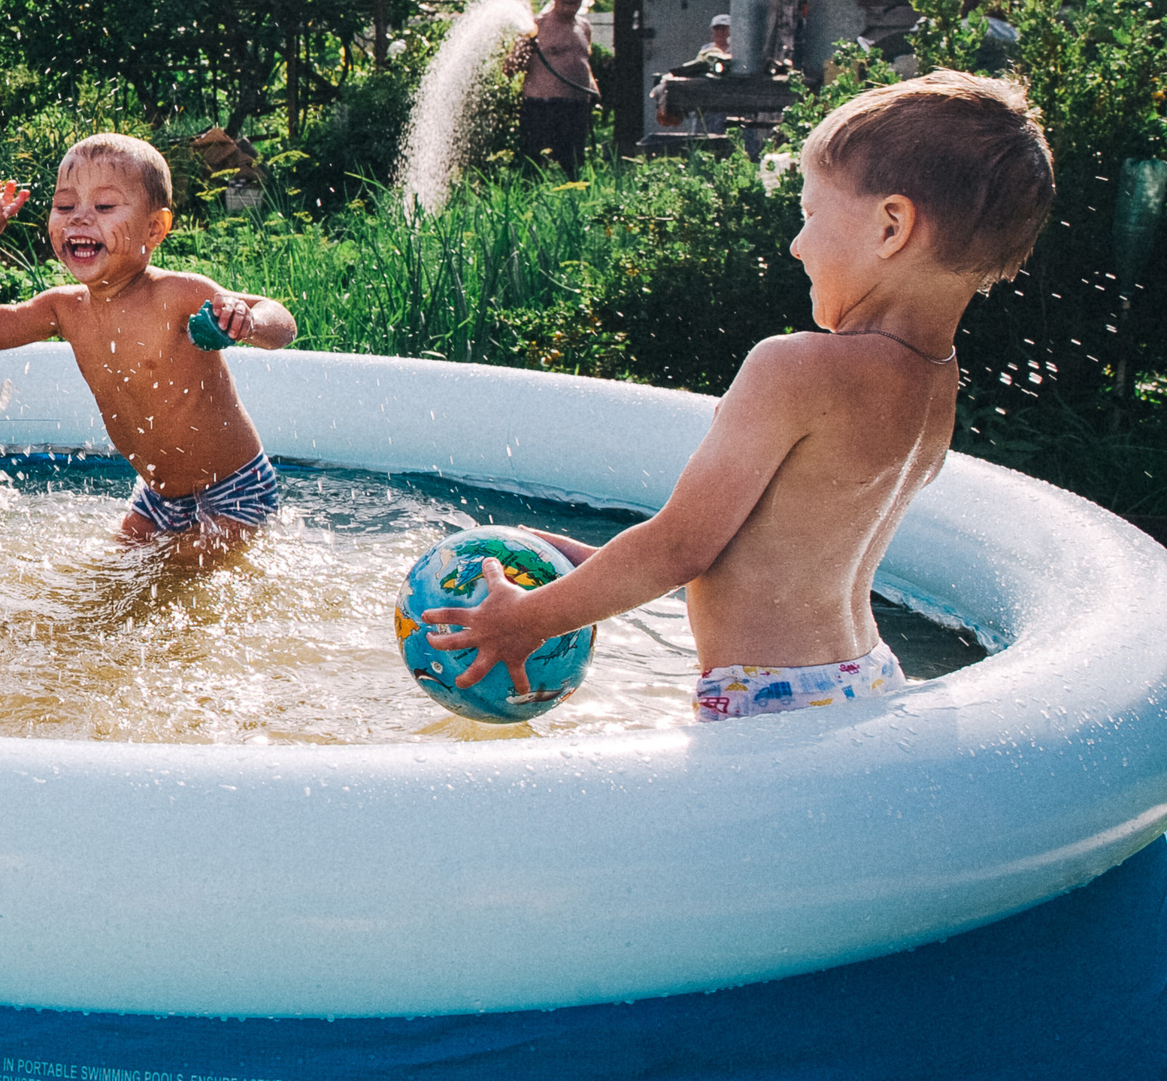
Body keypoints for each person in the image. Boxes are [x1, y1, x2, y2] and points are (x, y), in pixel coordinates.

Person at [423, 72, 1054, 722]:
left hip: (770, 697)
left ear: (891, 226)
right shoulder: (936, 381)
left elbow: (679, 550)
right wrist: (581, 564)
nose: (796, 244)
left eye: (810, 215)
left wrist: (524, 622)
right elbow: (759, 556)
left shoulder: (796, 368)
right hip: (863, 677)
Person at [0, 134, 297, 548]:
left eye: (104, 206)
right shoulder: (65, 308)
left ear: (155, 228)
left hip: (232, 491)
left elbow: (282, 321)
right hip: (156, 498)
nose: (78, 218)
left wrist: (248, 322)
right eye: (65, 206)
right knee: (110, 578)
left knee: (185, 579)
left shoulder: (177, 295)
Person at [514, 0, 601, 172]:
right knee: (537, 172)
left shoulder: (584, 27)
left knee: (573, 171)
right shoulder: (536, 26)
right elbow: (510, 68)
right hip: (542, 110)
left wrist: (594, 90)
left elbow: (583, 62)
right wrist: (524, 50)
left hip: (576, 110)